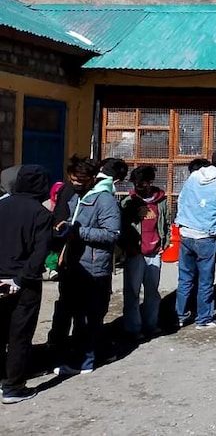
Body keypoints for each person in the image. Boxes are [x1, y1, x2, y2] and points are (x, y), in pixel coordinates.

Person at [54, 157, 122, 376]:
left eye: (79, 180)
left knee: (89, 317)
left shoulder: (104, 200)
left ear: (92, 179)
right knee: (77, 315)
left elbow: (111, 233)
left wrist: (77, 231)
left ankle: (84, 361)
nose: (75, 183)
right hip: (75, 265)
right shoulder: (79, 195)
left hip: (94, 267)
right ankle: (94, 354)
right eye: (72, 179)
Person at [0, 165, 53, 403]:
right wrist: (20, 280)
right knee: (19, 336)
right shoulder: (40, 213)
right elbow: (39, 253)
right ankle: (13, 387)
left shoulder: (2, 206)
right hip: (25, 284)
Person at [175, 150, 216, 329]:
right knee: (205, 280)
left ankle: (181, 315)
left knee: (185, 277)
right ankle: (203, 319)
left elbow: (182, 199)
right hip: (206, 235)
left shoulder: (194, 176)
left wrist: (181, 221)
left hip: (186, 232)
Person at [120, 165, 170, 340]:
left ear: (150, 183)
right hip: (135, 252)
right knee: (132, 292)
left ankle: (151, 324)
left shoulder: (161, 201)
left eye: (141, 184)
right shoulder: (128, 202)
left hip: (154, 251)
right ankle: (133, 328)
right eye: (135, 184)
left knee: (152, 291)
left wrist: (166, 242)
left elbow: (166, 223)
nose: (138, 187)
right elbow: (122, 228)